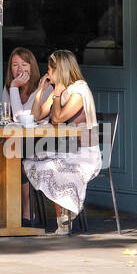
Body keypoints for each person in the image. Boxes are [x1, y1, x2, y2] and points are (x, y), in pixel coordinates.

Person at [23, 49, 101, 235]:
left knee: (49, 166)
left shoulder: (79, 91)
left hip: (85, 154)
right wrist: (41, 90)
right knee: (30, 161)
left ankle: (63, 220)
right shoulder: (60, 90)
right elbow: (36, 115)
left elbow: (57, 118)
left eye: (50, 69)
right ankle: (64, 215)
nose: (48, 73)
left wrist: (56, 93)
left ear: (60, 70)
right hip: (69, 150)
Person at [4, 47, 41, 219]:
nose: (19, 70)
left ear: (32, 67)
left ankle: (25, 208)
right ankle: (7, 209)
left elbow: (21, 119)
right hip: (16, 142)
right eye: (15, 65)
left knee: (16, 155)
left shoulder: (42, 88)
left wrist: (13, 88)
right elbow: (5, 116)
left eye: (24, 65)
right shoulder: (9, 88)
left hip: (40, 143)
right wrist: (12, 88)